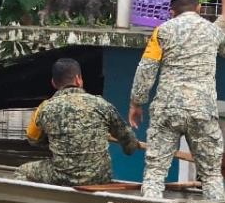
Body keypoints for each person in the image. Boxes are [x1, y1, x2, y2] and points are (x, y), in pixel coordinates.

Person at [129, 0, 225, 200]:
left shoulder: (162, 31)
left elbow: (146, 68)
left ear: (172, 12)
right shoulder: (213, 30)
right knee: (210, 175)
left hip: (167, 111)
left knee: (155, 173)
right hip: (202, 111)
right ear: (198, 8)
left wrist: (136, 103)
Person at [15, 58, 140, 186]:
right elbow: (129, 144)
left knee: (22, 171)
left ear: (53, 83)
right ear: (78, 79)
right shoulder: (102, 105)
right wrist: (130, 146)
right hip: (100, 176)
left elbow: (33, 141)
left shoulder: (45, 109)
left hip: (62, 176)